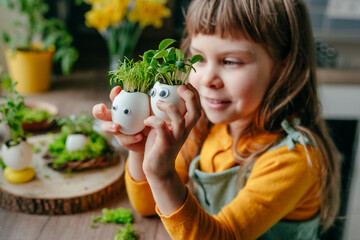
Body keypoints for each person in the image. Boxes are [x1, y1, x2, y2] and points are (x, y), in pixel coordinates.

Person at [92, 0, 341, 239]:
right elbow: (147, 206)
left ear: (282, 67)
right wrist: (140, 153)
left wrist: (163, 176)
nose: (208, 79)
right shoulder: (206, 127)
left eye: (231, 61)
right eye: (199, 58)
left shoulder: (292, 159)